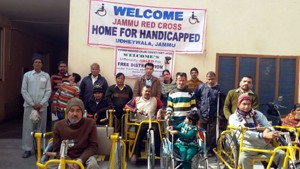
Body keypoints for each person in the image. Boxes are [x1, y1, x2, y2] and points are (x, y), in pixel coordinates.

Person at [229, 93, 285, 169]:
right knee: (243, 159)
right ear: (239, 104)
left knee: (281, 154)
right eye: (244, 104)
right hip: (247, 148)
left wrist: (267, 130)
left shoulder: (258, 114)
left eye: (249, 104)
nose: (246, 106)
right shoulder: (233, 117)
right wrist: (262, 135)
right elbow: (243, 133)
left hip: (264, 146)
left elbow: (269, 126)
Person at [52, 98, 100, 169]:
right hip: (65, 157)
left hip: (86, 156)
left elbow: (93, 146)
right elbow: (57, 150)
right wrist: (68, 161)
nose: (75, 114)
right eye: (72, 110)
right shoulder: (58, 126)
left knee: (93, 165)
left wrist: (80, 160)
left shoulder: (90, 123)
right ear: (67, 112)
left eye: (78, 111)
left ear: (82, 112)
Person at [21, 53, 51, 158]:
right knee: (28, 128)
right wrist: (33, 104)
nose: (37, 64)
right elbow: (23, 90)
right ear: (33, 64)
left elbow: (48, 91)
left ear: (42, 64)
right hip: (29, 106)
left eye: (39, 62)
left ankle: (40, 148)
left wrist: (41, 103)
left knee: (41, 129)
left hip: (42, 107)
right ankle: (27, 149)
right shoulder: (27, 75)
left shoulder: (46, 76)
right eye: (35, 62)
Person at [125, 85, 164, 163]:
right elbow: (127, 106)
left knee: (157, 133)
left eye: (149, 91)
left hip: (152, 122)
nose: (147, 93)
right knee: (139, 136)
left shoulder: (155, 99)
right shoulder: (137, 99)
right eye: (145, 91)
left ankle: (158, 153)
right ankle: (136, 154)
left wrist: (160, 111)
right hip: (140, 123)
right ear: (142, 92)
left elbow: (163, 106)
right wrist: (136, 110)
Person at [194, 71, 225, 156]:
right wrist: (199, 104)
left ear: (215, 78)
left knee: (212, 134)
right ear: (206, 79)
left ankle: (211, 150)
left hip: (214, 114)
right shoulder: (201, 87)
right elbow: (196, 97)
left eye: (212, 79)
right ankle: (201, 148)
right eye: (209, 79)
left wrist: (220, 113)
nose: (210, 81)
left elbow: (223, 103)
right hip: (203, 114)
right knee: (201, 132)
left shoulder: (219, 89)